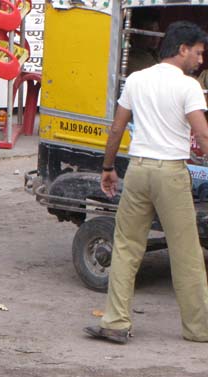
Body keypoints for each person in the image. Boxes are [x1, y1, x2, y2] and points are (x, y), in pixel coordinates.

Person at [86, 21, 208, 344]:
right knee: (186, 253)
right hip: (171, 172)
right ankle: (199, 329)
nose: (200, 61)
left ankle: (115, 322)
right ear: (182, 49)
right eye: (197, 53)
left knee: (125, 248)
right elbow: (202, 133)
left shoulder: (137, 80)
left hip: (137, 170)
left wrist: (108, 167)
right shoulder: (188, 87)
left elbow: (116, 129)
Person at [126, 11, 161, 75]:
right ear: (134, 35)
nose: (155, 37)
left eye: (157, 31)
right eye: (149, 31)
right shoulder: (130, 61)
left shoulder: (159, 55)